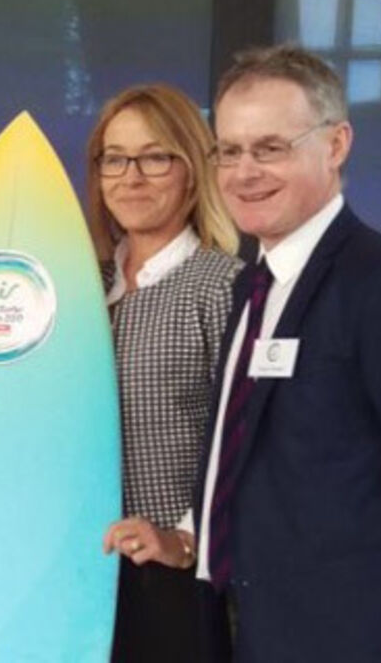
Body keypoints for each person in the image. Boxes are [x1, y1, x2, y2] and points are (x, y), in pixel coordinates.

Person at [191, 44, 381, 661]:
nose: (244, 173)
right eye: (229, 150)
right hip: (248, 629)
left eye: (270, 148)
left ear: (336, 144)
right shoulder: (250, 285)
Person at [86, 84, 240, 662]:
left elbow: (248, 442)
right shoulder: (77, 285)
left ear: (193, 171)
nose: (131, 177)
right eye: (115, 159)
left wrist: (184, 539)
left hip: (170, 582)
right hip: (75, 572)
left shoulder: (223, 286)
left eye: (154, 158)